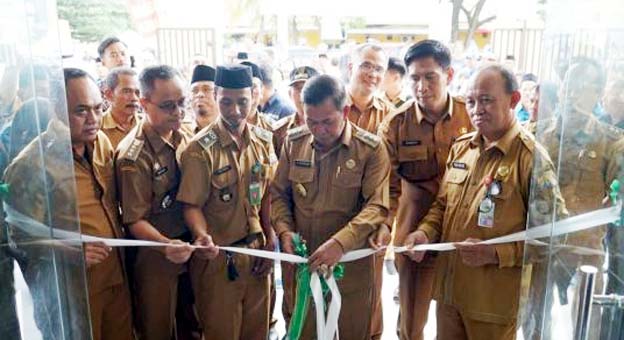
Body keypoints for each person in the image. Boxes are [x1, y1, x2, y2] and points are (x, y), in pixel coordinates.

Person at [404, 64, 563, 340]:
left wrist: (496, 254)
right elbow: (442, 207)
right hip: (450, 296)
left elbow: (554, 236)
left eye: (487, 100)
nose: (477, 109)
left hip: (493, 307)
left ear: (513, 100)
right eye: (471, 101)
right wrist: (424, 233)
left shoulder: (530, 159)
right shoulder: (463, 147)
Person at [4, 68, 134, 340]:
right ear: (56, 107)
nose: (94, 119)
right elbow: (17, 239)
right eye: (81, 111)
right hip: (70, 292)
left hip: (115, 279)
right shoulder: (32, 164)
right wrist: (68, 251)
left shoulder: (101, 144)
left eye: (99, 108)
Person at [271, 74, 390, 339]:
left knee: (351, 331)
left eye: (327, 122)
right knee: (302, 329)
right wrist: (284, 231)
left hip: (350, 268)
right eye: (311, 121)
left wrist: (340, 243)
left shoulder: (370, 149)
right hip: (304, 264)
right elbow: (279, 194)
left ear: (345, 111)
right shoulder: (293, 143)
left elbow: (377, 206)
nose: (319, 130)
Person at [378, 39, 473, 340]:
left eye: (430, 76)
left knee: (457, 314)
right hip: (415, 234)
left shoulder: (469, 115)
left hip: (462, 230)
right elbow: (387, 187)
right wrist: (384, 226)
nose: (422, 86)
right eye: (415, 78)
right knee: (412, 322)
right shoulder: (395, 125)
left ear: (449, 75)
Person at [178, 65, 275, 340]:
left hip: (257, 255)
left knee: (257, 332)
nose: (235, 110)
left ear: (254, 96)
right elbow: (191, 205)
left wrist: (269, 238)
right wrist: (201, 236)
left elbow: (267, 193)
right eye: (226, 102)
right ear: (216, 96)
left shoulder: (263, 141)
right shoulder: (199, 149)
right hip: (219, 260)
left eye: (242, 101)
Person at [536, 57, 624, 340]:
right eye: (567, 86)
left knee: (587, 324)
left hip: (585, 252)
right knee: (536, 324)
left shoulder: (610, 141)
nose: (571, 94)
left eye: (581, 87)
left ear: (597, 94)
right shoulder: (538, 135)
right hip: (541, 248)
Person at [115, 65, 195, 340]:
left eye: (183, 103)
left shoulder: (184, 136)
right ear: (144, 103)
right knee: (158, 328)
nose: (178, 112)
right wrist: (165, 245)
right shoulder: (133, 155)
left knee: (192, 323)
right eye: (168, 106)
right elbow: (134, 219)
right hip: (155, 254)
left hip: (188, 246)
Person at [345, 42, 392, 339]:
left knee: (369, 300)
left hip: (373, 222)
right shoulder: (333, 107)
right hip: (331, 215)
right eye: (366, 65)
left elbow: (394, 178)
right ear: (351, 67)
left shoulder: (391, 116)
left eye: (379, 68)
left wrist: (386, 223)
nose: (372, 74)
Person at [272, 66, 320, 160]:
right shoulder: (280, 130)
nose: (303, 94)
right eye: (298, 89)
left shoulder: (330, 126)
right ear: (290, 94)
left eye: (308, 88)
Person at [101, 67, 142, 148]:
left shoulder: (148, 125)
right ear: (109, 95)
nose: (134, 98)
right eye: (126, 91)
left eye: (137, 92)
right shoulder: (97, 127)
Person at [182, 64, 219, 135]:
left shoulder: (232, 131)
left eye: (206, 89)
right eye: (195, 90)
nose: (200, 94)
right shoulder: (181, 132)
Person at [241, 61, 274, 131]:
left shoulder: (272, 127)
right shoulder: (221, 126)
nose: (249, 91)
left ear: (261, 90)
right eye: (244, 86)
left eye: (254, 86)